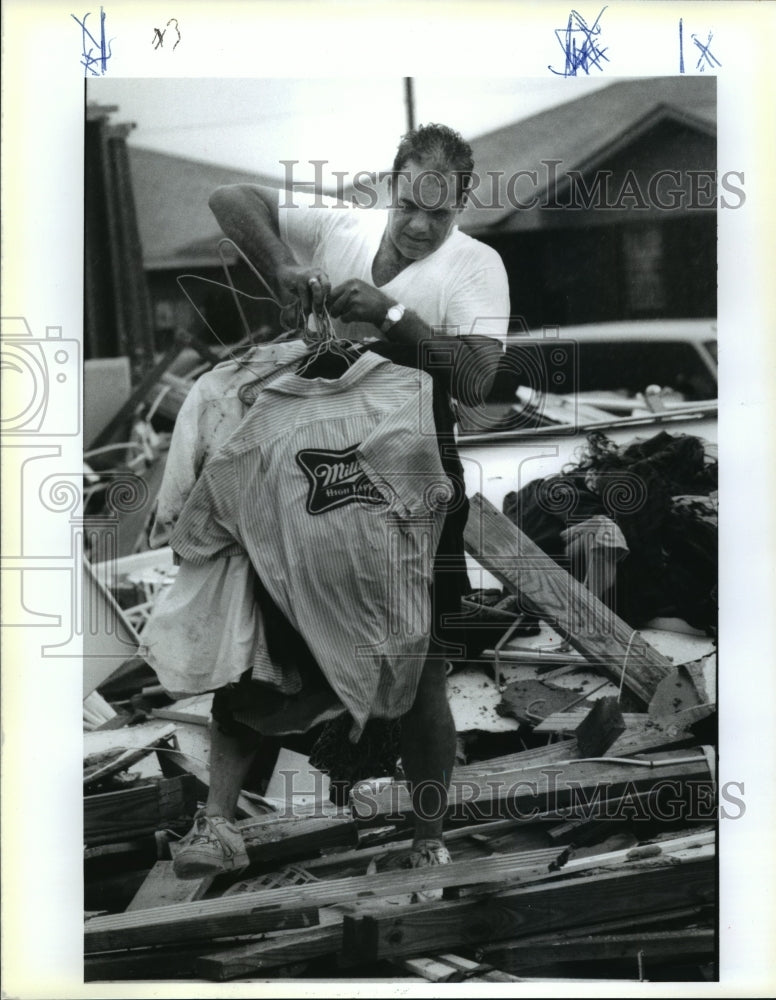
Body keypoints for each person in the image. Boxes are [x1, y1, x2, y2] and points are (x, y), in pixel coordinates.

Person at [161, 123, 510, 880]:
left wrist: (391, 318)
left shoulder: (475, 267)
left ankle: (426, 836)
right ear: (392, 183)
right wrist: (285, 267)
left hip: (411, 476)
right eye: (410, 203)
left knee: (418, 665)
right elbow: (231, 197)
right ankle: (217, 822)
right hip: (308, 469)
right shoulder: (344, 229)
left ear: (462, 207)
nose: (420, 225)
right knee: (266, 640)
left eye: (440, 213)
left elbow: (481, 380)